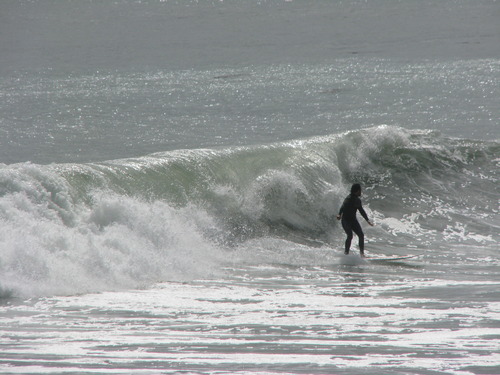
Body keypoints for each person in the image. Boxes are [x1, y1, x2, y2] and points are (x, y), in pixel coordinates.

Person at [336, 183, 374, 256]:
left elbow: (361, 211)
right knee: (350, 235)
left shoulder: (358, 200)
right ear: (357, 191)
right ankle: (346, 253)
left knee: (361, 235)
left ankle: (362, 253)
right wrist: (339, 214)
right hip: (345, 220)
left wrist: (367, 220)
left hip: (353, 220)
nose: (361, 192)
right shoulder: (348, 199)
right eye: (360, 190)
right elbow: (343, 207)